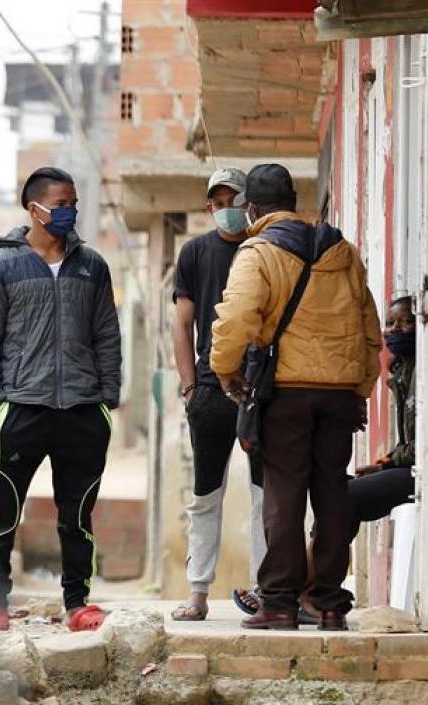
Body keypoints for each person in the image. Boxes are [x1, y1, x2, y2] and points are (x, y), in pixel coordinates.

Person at [210, 163, 382, 632]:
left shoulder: (259, 252)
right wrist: (361, 386)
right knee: (331, 495)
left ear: (253, 208)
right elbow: (370, 325)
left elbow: (236, 318)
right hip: (339, 395)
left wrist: (225, 370)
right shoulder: (342, 250)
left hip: (284, 392)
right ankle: (328, 603)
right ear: (292, 200)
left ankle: (281, 603)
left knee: (283, 496)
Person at [0, 166, 122, 633]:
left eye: (73, 202)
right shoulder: (1, 266)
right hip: (21, 406)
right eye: (61, 203)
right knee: (3, 509)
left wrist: (106, 399)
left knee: (77, 513)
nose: (69, 211)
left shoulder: (92, 265)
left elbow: (106, 336)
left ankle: (78, 604)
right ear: (33, 208)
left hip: (82, 407)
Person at [233, 295, 417, 620]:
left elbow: (422, 444)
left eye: (405, 322)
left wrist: (224, 370)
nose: (396, 330)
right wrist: (386, 462)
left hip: (421, 472)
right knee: (335, 494)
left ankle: (292, 594)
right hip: (399, 459)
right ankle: (312, 595)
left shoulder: (423, 371)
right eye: (391, 323)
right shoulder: (401, 368)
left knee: (338, 498)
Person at [169, 168, 266, 622]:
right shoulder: (194, 253)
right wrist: (190, 386)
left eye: (231, 198)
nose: (222, 208)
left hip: (261, 388)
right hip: (209, 391)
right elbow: (182, 323)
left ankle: (267, 590)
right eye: (215, 201)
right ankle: (198, 593)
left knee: (266, 492)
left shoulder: (265, 249)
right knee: (206, 494)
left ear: (249, 201)